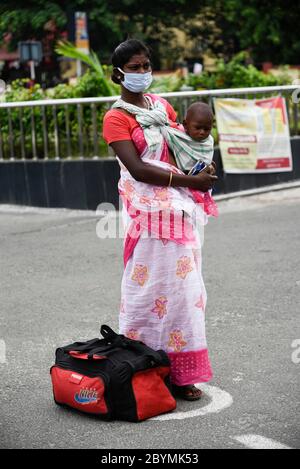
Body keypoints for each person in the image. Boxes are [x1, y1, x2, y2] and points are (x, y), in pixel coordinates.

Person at [103, 39, 218, 401]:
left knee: (184, 292)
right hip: (146, 214)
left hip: (178, 212)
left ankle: (182, 373)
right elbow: (137, 170)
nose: (142, 73)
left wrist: (201, 167)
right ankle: (145, 366)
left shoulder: (163, 107)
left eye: (145, 65)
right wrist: (190, 181)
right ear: (117, 73)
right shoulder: (116, 118)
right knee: (146, 290)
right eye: (134, 67)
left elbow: (181, 150)